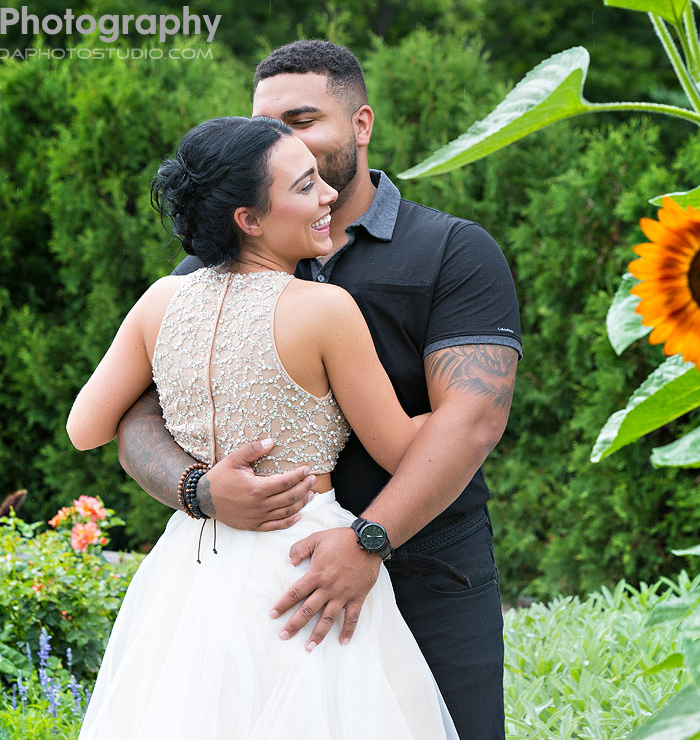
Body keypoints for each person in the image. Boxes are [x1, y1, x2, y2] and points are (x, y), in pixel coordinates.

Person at [116, 40, 520, 739]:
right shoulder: (207, 269)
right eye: (266, 124)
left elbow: (474, 419)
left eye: (301, 119)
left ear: (361, 125)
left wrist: (368, 538)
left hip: (428, 575)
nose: (278, 139)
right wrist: (198, 489)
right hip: (261, 588)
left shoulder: (452, 251)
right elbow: (134, 415)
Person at [68, 115, 458, 739]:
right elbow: (401, 449)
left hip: (191, 564)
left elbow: (85, 427)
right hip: (305, 566)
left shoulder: (159, 304)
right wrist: (457, 398)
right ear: (248, 219)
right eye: (305, 186)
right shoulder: (325, 310)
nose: (329, 194)